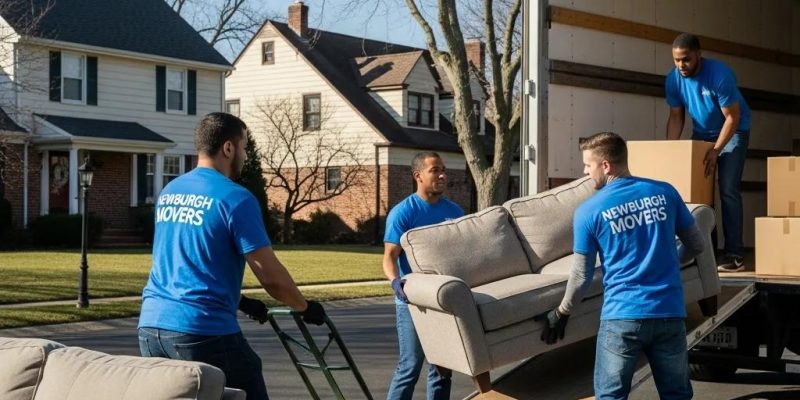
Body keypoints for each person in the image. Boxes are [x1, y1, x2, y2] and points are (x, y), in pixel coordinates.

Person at [138, 112, 326, 400]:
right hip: (201, 331)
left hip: (151, 328)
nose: (246, 155)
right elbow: (271, 277)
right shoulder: (235, 198)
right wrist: (304, 307)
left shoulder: (170, 191)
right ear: (228, 148)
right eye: (245, 146)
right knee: (247, 382)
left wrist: (240, 301)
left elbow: (185, 263)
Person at [538, 132, 706, 400]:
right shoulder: (665, 192)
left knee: (611, 396)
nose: (584, 171)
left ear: (606, 165)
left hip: (622, 318)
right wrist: (670, 263)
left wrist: (562, 312)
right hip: (669, 313)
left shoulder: (589, 211)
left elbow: (581, 275)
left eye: (588, 165)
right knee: (677, 395)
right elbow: (697, 245)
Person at [665, 32, 751, 273]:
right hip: (702, 133)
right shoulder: (673, 79)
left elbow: (732, 118)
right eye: (676, 60)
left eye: (686, 60)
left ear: (698, 55)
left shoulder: (720, 75)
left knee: (728, 189)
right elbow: (675, 116)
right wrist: (671, 150)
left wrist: (716, 150)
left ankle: (734, 254)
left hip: (733, 131)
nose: (681, 65)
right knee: (699, 194)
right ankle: (706, 253)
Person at [383, 151, 464, 400]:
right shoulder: (403, 213)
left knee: (442, 368)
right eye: (434, 170)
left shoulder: (455, 211)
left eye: (443, 169)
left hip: (445, 299)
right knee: (410, 366)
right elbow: (389, 256)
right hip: (413, 301)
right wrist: (396, 282)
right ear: (418, 175)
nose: (442, 175)